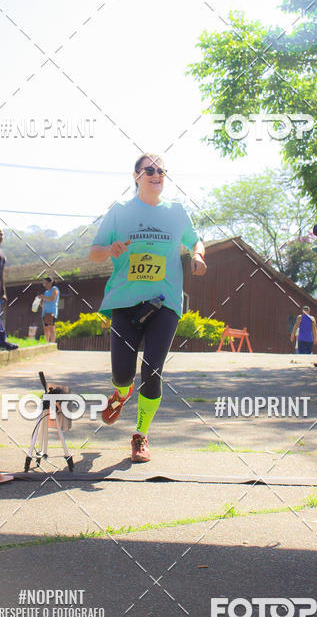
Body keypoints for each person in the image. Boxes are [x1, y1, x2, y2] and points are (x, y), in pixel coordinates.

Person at [89, 153, 206, 463]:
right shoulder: (119, 212)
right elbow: (95, 253)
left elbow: (196, 241)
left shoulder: (177, 212)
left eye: (162, 170)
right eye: (150, 170)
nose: (157, 175)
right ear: (136, 176)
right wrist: (110, 249)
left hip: (165, 301)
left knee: (152, 369)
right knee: (122, 374)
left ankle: (140, 435)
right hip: (124, 301)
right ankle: (121, 394)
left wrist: (199, 256)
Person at [40, 277, 60, 343]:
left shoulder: (54, 289)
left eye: (46, 283)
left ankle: (52, 343)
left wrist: (43, 296)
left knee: (51, 327)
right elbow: (44, 302)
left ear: (50, 282)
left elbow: (52, 299)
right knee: (46, 328)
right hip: (45, 312)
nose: (44, 285)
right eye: (44, 283)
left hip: (51, 311)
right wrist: (39, 302)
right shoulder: (46, 292)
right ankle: (46, 342)